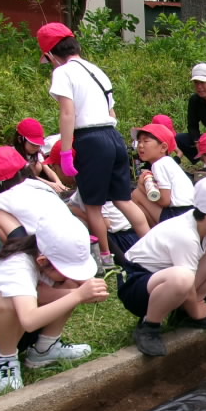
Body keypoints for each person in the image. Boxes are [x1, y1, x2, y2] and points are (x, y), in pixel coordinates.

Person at [36, 22, 150, 270]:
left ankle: (106, 258)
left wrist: (66, 151)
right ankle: (152, 244)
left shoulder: (63, 72)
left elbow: (68, 114)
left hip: (90, 139)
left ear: (50, 54)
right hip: (113, 135)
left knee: (93, 205)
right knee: (123, 199)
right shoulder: (96, 70)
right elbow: (112, 110)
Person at [0, 214, 107, 392]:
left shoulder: (42, 252)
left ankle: (45, 349)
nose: (69, 274)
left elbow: (75, 286)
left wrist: (80, 290)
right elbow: (29, 321)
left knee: (71, 285)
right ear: (43, 261)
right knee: (8, 300)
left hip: (21, 331)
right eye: (65, 269)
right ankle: (6, 361)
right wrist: (78, 295)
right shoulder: (17, 265)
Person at [120, 174, 206, 356]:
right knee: (182, 278)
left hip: (161, 282)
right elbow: (187, 283)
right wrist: (198, 311)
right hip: (136, 285)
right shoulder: (185, 235)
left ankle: (184, 313)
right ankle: (149, 325)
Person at [0, 147, 77, 241]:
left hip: (48, 248)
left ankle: (21, 255)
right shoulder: (40, 184)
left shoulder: (2, 199)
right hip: (76, 235)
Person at [131, 122, 195, 225]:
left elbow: (165, 201)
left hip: (177, 214)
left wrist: (141, 186)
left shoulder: (159, 165)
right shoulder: (168, 162)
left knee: (136, 194)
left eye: (146, 141)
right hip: (190, 212)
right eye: (139, 141)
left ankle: (151, 234)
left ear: (163, 147)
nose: (141, 145)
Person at [13, 117, 67, 193]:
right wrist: (50, 184)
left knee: (38, 165)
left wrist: (58, 183)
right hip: (21, 184)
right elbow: (27, 177)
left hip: (37, 182)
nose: (36, 147)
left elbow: (48, 170)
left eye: (38, 144)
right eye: (33, 144)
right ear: (20, 139)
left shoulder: (37, 153)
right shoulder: (13, 155)